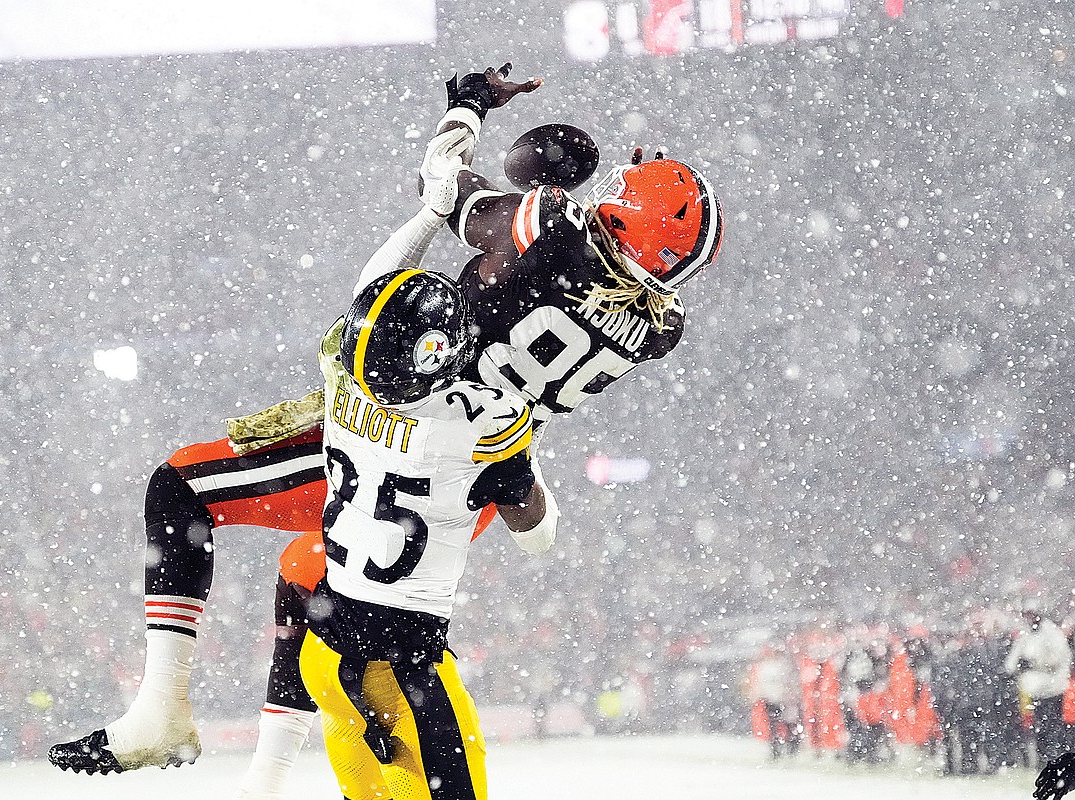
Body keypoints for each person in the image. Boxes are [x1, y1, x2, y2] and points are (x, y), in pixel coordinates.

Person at [49, 62, 724, 797]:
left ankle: (161, 711)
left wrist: (467, 111)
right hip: (479, 468)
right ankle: (263, 781)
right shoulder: (662, 327)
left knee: (180, 489)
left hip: (395, 424)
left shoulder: (551, 230)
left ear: (629, 213)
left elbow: (442, 185)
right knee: (309, 571)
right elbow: (623, 267)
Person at [298, 226, 557, 800]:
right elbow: (538, 534)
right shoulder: (480, 424)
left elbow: (369, 290)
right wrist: (526, 451)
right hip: (407, 670)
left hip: (325, 652)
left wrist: (430, 213)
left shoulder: (341, 379)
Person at [1006, 601, 1073, 766]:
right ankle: (1043, 759)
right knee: (1038, 727)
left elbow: (1059, 658)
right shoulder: (1025, 634)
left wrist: (1035, 662)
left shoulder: (1051, 633)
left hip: (1053, 688)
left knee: (1053, 726)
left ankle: (1055, 758)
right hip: (1034, 689)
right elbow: (1011, 662)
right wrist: (1019, 665)